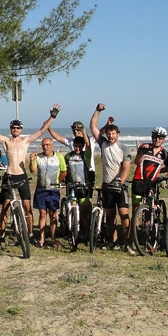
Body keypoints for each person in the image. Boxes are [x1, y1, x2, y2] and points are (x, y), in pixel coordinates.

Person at [0, 102, 60, 244]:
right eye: (13, 127)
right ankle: (2, 235)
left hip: (21, 176)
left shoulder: (25, 141)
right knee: (5, 207)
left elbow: (42, 131)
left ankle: (31, 233)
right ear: (11, 129)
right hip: (9, 176)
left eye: (18, 128)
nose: (15, 129)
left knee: (27, 207)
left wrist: (52, 116)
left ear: (21, 129)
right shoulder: (6, 141)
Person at [89, 104, 133, 253]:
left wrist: (120, 181)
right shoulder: (103, 144)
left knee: (123, 213)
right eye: (109, 133)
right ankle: (113, 241)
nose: (111, 136)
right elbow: (93, 127)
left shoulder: (124, 148)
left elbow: (126, 167)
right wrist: (98, 111)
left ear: (118, 134)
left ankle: (128, 243)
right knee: (110, 215)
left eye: (113, 133)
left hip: (120, 187)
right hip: (107, 186)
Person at [29, 138, 66, 247]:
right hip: (41, 189)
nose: (45, 147)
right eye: (43, 145)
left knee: (53, 214)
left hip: (53, 190)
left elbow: (64, 172)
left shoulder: (59, 157)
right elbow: (32, 170)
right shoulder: (39, 157)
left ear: (52, 145)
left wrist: (57, 182)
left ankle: (53, 238)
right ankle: (42, 239)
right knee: (42, 214)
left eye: (47, 145)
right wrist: (31, 160)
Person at [48, 120, 99, 196]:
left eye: (78, 129)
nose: (75, 131)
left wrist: (108, 125)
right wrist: (48, 127)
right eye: (74, 129)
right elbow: (58, 137)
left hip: (88, 172)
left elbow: (99, 133)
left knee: (85, 198)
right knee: (72, 197)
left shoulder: (90, 139)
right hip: (74, 171)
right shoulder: (71, 141)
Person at [63, 135, 93, 251]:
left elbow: (89, 145)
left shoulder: (86, 156)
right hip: (71, 186)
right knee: (72, 208)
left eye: (79, 146)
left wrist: (83, 132)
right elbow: (64, 169)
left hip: (83, 186)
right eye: (75, 146)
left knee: (84, 212)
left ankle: (86, 233)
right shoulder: (68, 156)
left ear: (83, 147)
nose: (77, 148)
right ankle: (72, 230)